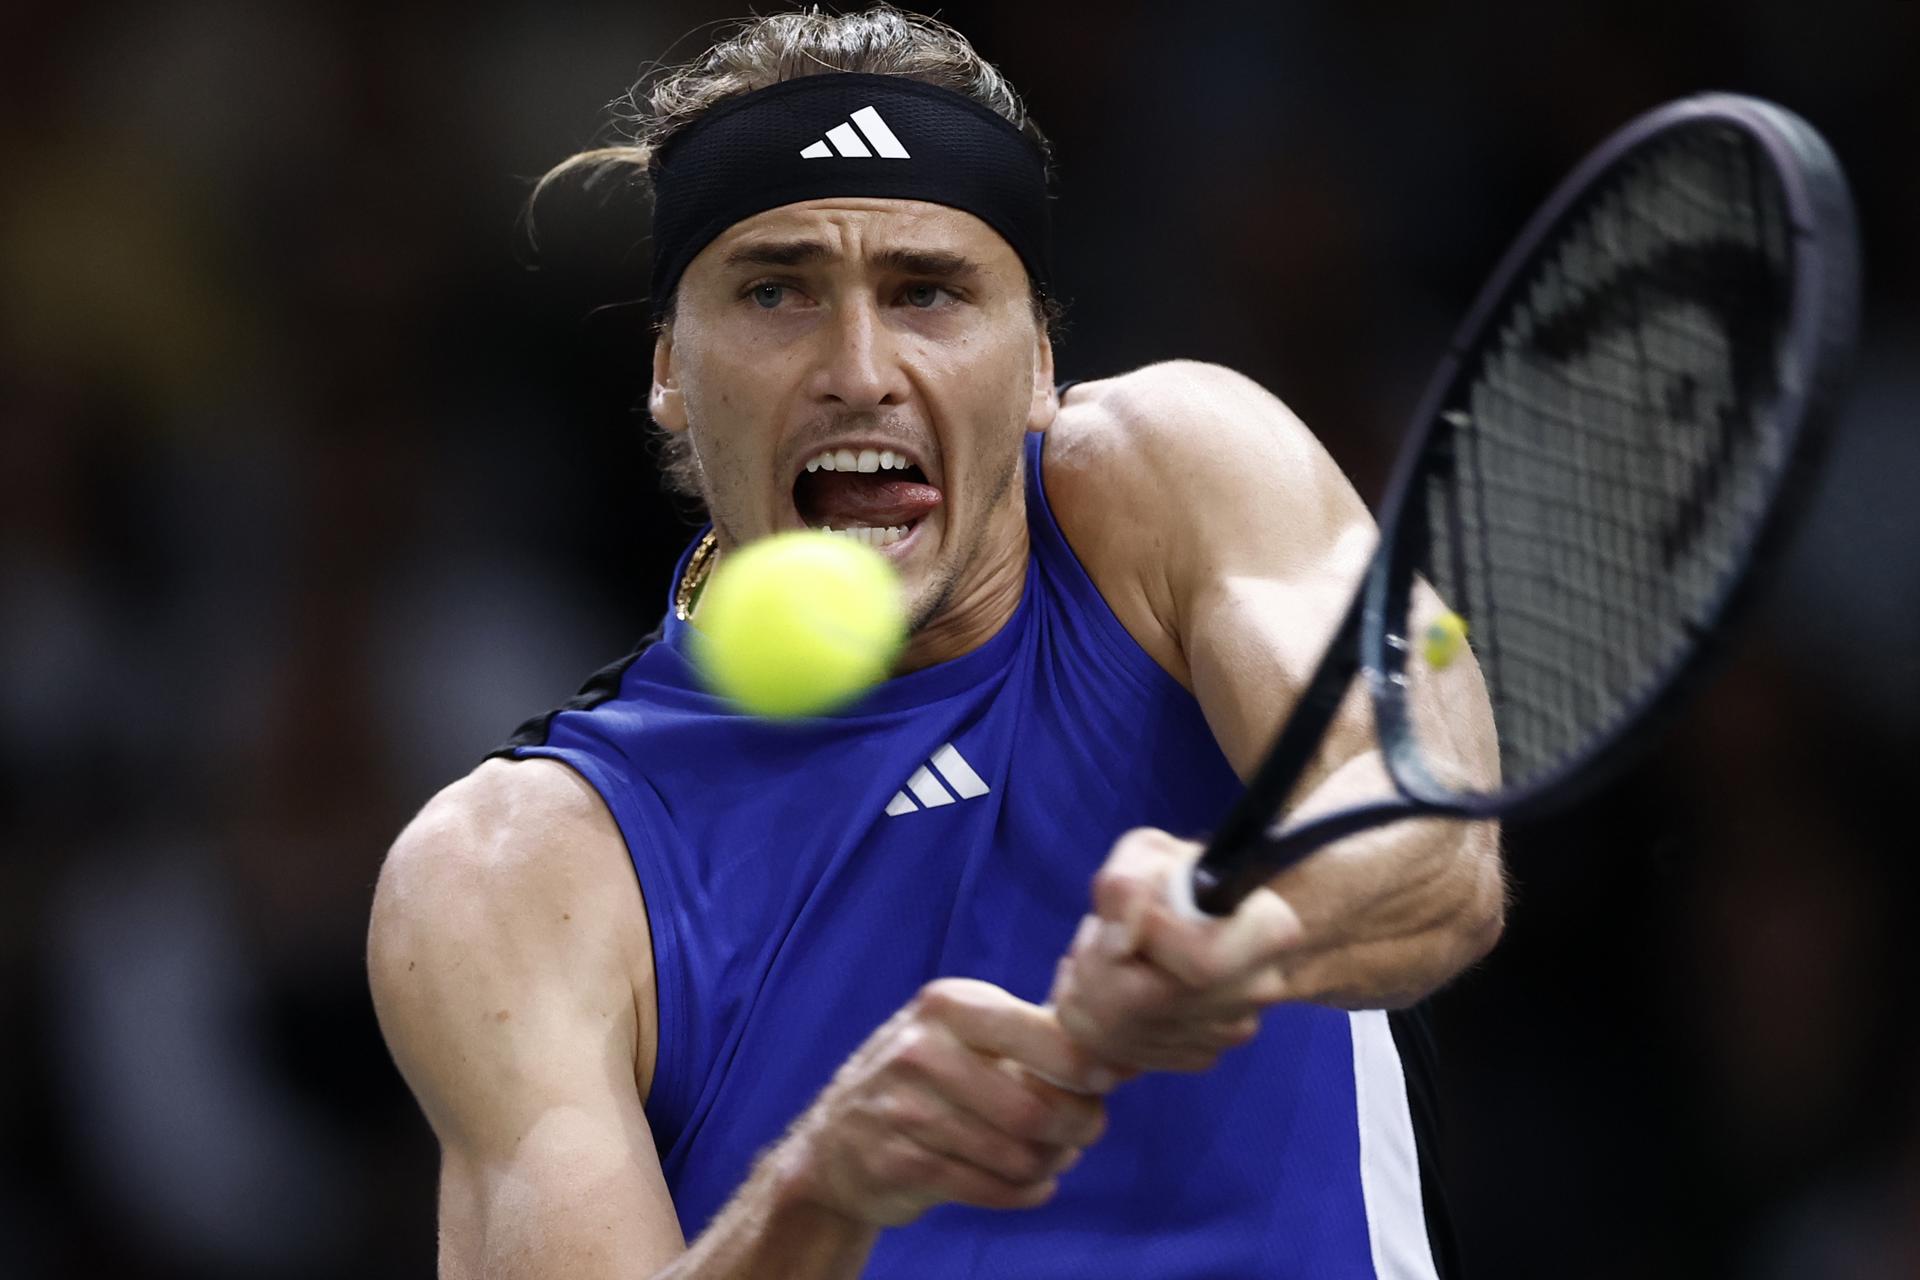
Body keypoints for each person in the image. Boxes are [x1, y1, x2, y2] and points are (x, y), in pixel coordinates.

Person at [368, 7, 1504, 1277]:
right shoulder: (518, 871)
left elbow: (1433, 832)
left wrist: (1249, 926)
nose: (859, 367)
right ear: (669, 373)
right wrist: (820, 1188)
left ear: (1037, 367)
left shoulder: (1181, 473)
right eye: (775, 289)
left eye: (928, 290)